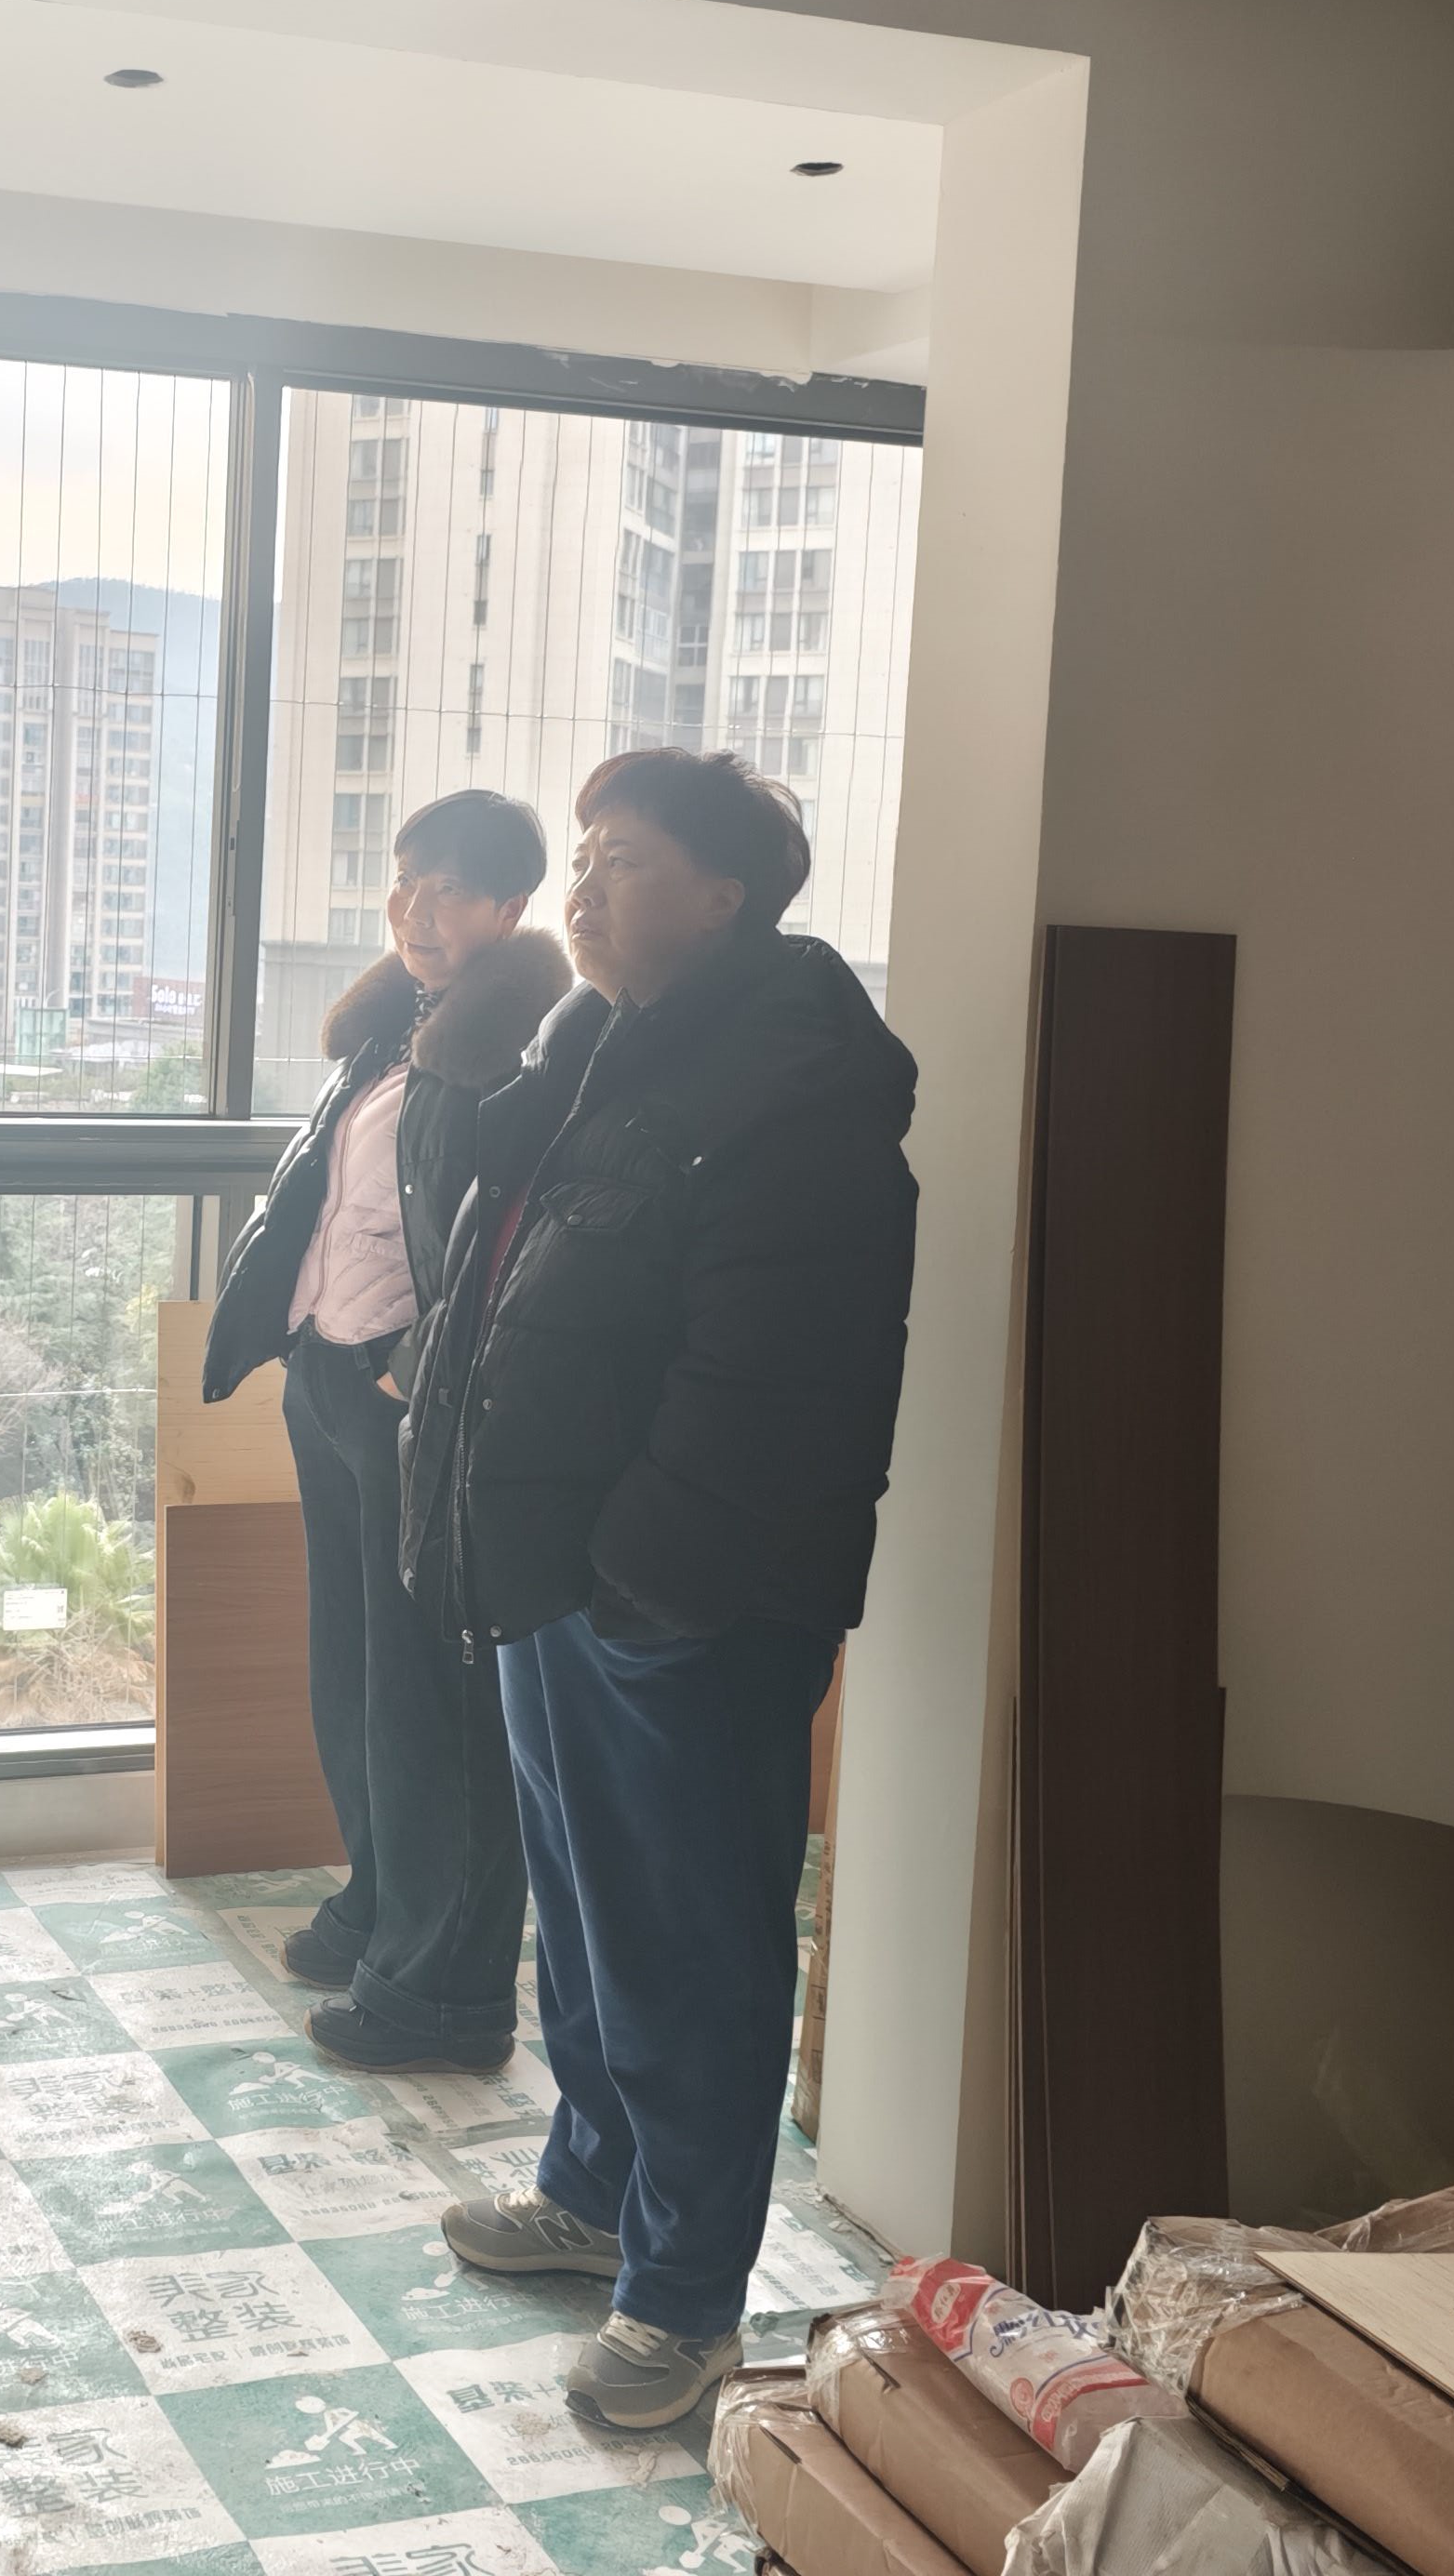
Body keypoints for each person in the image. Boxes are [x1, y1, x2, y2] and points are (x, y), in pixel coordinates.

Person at [401, 747, 916, 2433]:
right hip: (564, 1570)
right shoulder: (598, 1051)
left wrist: (637, 1573)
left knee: (690, 1942)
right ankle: (594, 2186)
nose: (585, 889)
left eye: (622, 858)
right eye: (583, 858)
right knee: (587, 1910)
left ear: (725, 892)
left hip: (684, 1598)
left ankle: (687, 2293)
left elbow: (768, 1385)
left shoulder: (792, 1091)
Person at [202, 790, 570, 2071]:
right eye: (408, 882)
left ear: (512, 907)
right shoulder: (394, 1031)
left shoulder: (514, 1052)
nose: (420, 908)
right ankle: (382, 1903)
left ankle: (445, 1994)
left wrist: (412, 1375)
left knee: (434, 1697)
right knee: (355, 1671)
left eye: (454, 888)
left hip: (413, 1400)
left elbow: (513, 1249)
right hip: (332, 1376)